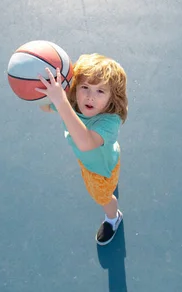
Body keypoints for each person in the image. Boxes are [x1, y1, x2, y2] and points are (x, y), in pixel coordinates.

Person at [36, 53, 128, 245]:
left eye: (100, 91)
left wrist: (60, 102)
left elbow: (85, 143)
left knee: (104, 198)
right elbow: (44, 107)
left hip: (100, 171)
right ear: (75, 88)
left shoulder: (110, 122)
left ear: (112, 97)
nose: (89, 96)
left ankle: (113, 217)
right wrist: (41, 91)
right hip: (95, 158)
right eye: (84, 87)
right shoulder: (71, 104)